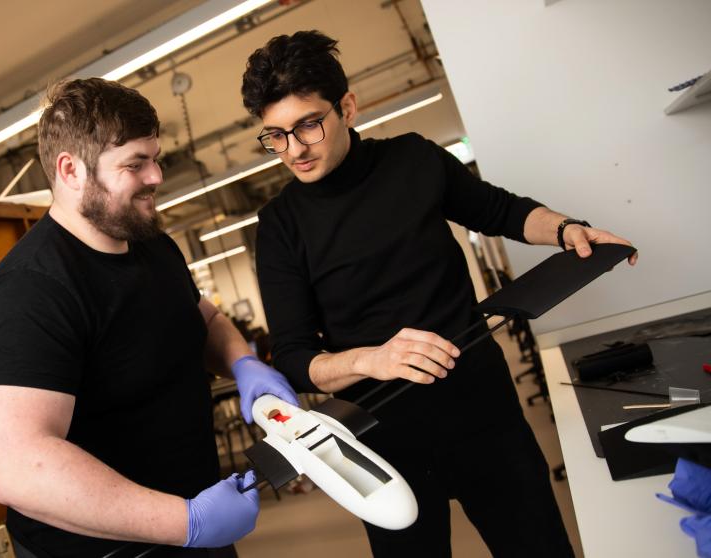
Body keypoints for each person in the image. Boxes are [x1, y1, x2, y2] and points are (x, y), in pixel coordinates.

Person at [241, 30, 636, 557]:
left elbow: (503, 212)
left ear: (348, 107)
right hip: (380, 441)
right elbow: (294, 358)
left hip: (484, 414)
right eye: (275, 136)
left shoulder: (414, 161)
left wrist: (569, 231)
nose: (293, 150)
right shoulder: (280, 226)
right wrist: (374, 359)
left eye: (308, 125)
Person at [0, 77, 298, 558]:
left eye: (156, 158)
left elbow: (201, 317)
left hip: (193, 521)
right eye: (135, 164)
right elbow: (19, 467)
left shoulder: (151, 243)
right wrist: (184, 522)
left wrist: (241, 361)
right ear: (70, 170)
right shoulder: (32, 289)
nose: (156, 177)